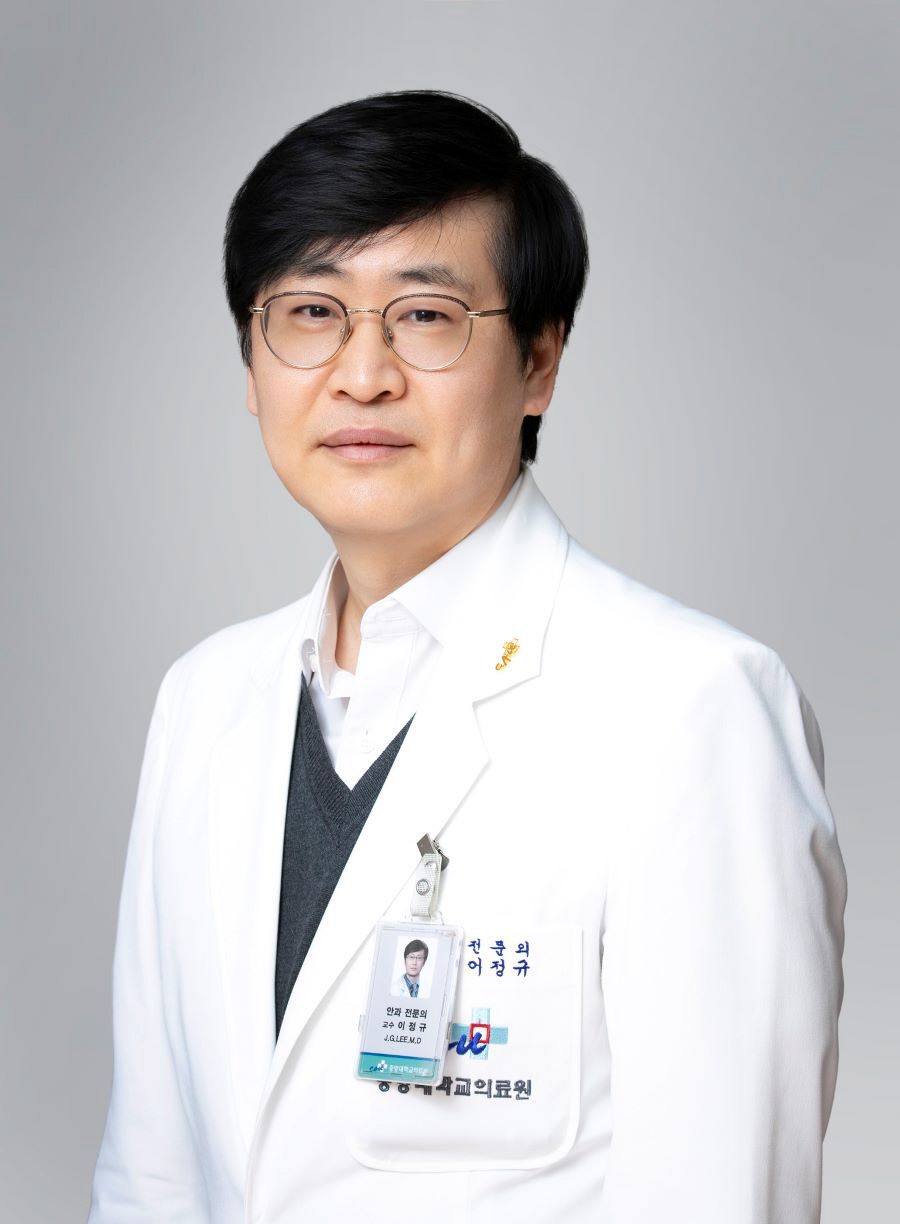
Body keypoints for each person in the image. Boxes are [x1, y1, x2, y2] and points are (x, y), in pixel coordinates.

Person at [88, 90, 847, 1224]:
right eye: (311, 312)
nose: (362, 374)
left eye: (427, 316)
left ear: (538, 362)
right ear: (251, 363)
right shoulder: (204, 701)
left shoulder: (690, 708)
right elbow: (150, 1178)